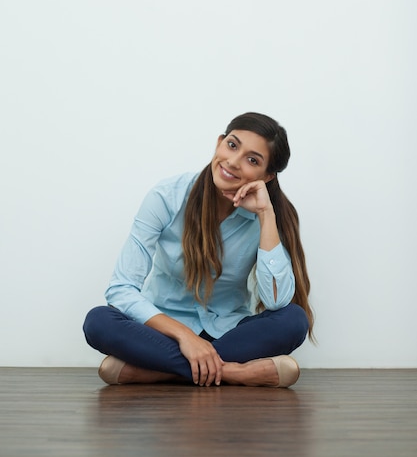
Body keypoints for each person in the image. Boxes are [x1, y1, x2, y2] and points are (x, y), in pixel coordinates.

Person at [83, 112, 314, 388]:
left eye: (252, 160)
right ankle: (234, 373)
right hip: (161, 333)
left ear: (267, 176)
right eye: (232, 145)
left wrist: (266, 215)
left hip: (228, 333)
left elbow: (277, 302)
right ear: (219, 142)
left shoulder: (269, 215)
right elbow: (121, 288)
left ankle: (158, 371)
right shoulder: (167, 196)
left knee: (294, 320)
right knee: (98, 321)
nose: (233, 161)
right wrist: (186, 337)